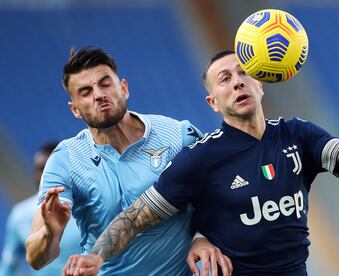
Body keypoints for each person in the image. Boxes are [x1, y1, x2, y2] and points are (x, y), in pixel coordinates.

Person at [64, 50, 339, 276]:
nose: (237, 81)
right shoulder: (201, 157)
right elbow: (136, 217)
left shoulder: (298, 135)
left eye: (243, 73)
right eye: (224, 79)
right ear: (213, 101)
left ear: (260, 83)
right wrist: (98, 255)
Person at [25, 47, 228, 275]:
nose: (98, 94)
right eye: (85, 92)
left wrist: (201, 237)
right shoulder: (65, 160)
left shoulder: (178, 134)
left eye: (105, 84)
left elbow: (219, 203)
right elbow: (36, 259)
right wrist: (50, 234)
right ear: (75, 110)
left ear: (124, 88)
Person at [0, 142, 81, 276]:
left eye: (51, 169)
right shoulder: (19, 215)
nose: (45, 175)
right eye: (40, 169)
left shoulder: (86, 208)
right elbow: (8, 267)